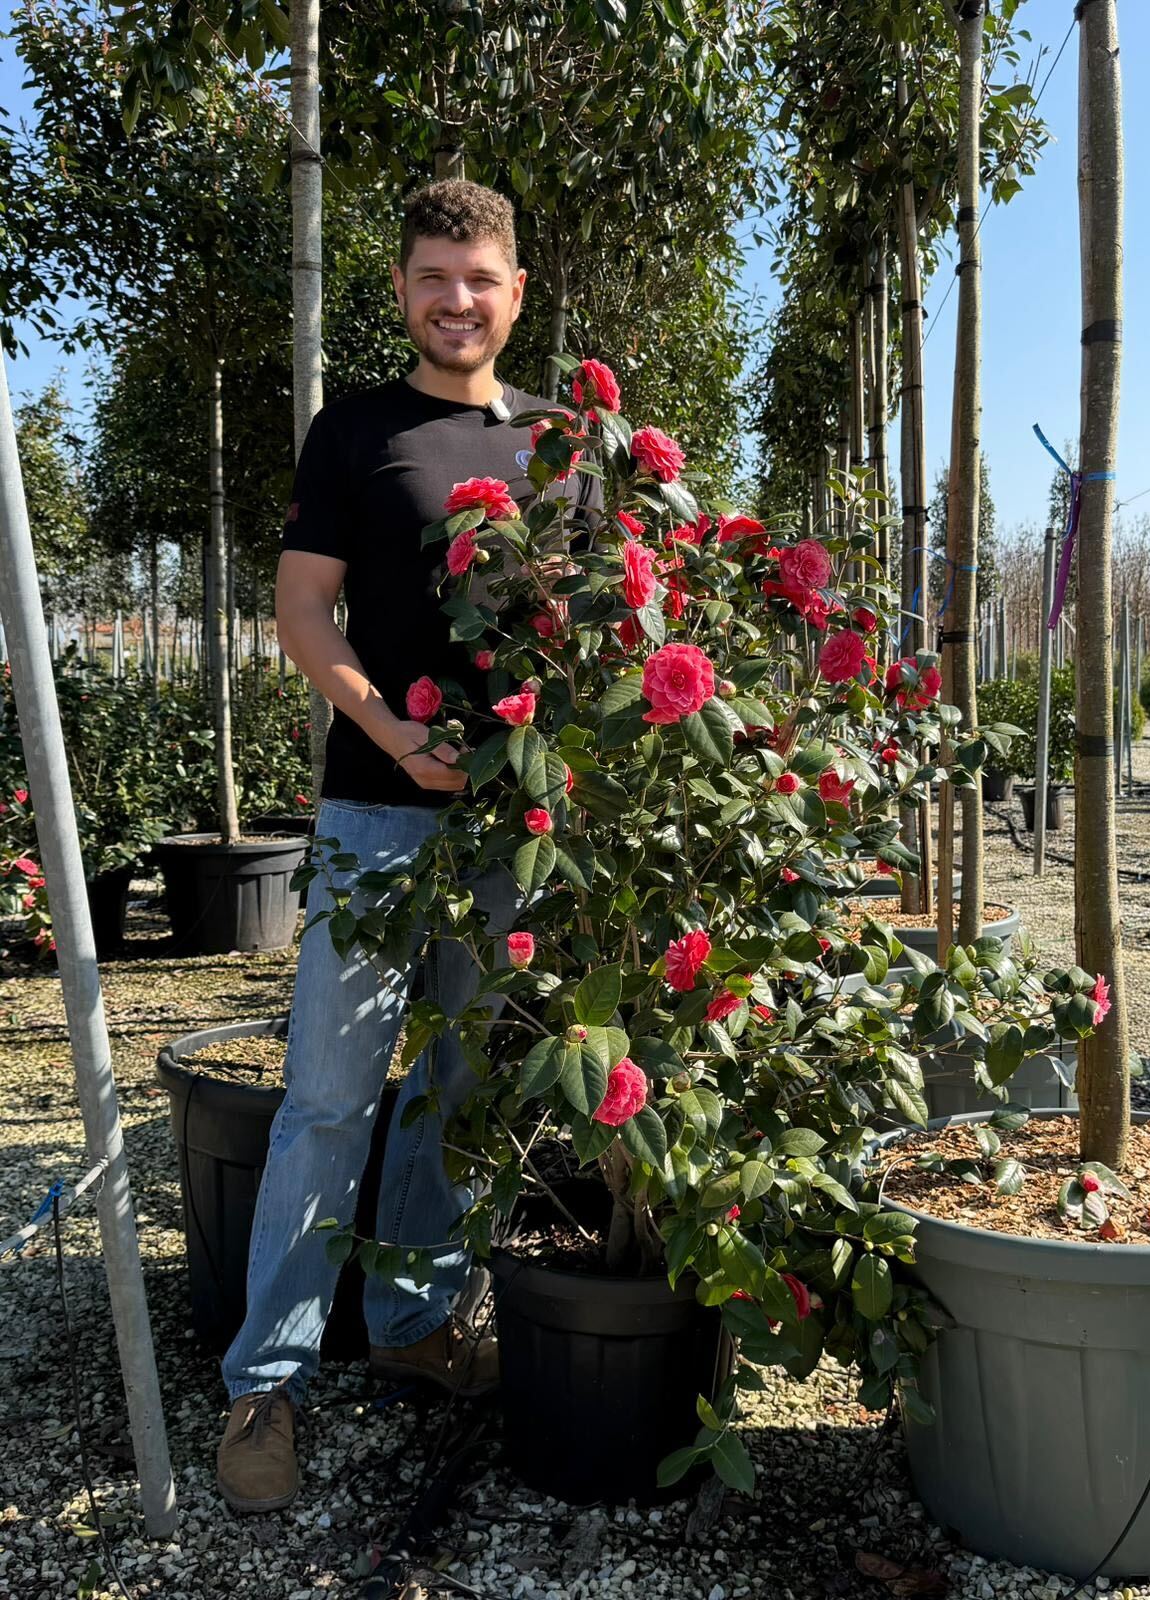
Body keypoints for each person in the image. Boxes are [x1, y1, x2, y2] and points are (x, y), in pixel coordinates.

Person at [216, 180, 594, 1513]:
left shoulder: (560, 442)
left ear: (515, 290)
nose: (456, 299)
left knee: (451, 1087)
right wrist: (389, 735)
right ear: (402, 290)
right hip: (379, 811)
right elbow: (306, 612)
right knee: (329, 1095)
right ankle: (266, 1380)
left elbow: (593, 629)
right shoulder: (357, 432)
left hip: (507, 821)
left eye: (479, 277)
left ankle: (422, 1321)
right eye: (433, 276)